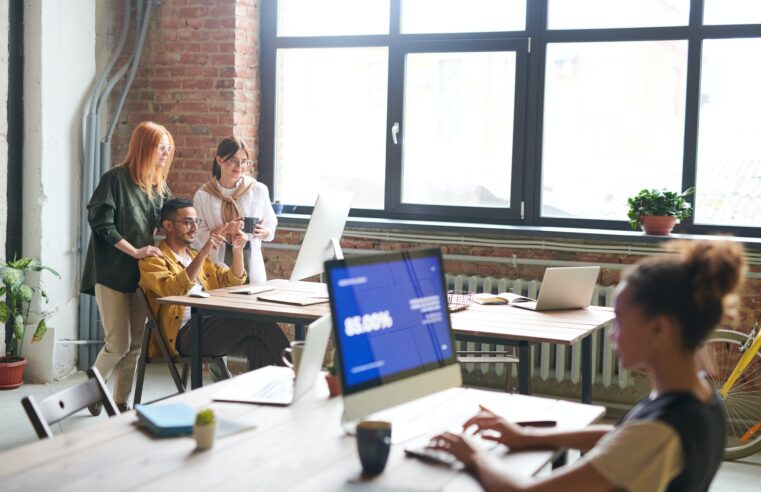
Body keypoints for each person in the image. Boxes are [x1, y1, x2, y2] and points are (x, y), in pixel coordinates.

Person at [428, 240, 747, 492]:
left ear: (659, 329)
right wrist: (525, 436)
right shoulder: (701, 393)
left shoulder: (660, 431)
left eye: (620, 322)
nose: (613, 335)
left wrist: (474, 456)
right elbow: (621, 436)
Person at [139, 198, 290, 380]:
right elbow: (171, 291)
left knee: (255, 344)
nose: (194, 228)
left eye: (196, 221)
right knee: (259, 321)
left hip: (207, 324)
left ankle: (266, 398)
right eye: (188, 222)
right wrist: (204, 251)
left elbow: (232, 282)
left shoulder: (195, 256)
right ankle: (299, 377)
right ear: (168, 225)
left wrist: (237, 251)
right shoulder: (154, 260)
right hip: (183, 335)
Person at [81, 121, 174, 414]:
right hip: (109, 273)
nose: (166, 153)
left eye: (169, 148)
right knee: (118, 344)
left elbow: (172, 218)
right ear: (145, 146)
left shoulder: (158, 188)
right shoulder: (115, 180)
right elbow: (100, 223)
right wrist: (134, 250)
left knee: (135, 345)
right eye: (162, 147)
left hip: (139, 278)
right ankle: (90, 393)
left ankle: (120, 402)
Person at [193, 137, 277, 284]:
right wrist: (224, 231)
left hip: (250, 259)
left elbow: (270, 224)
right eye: (233, 160)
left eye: (244, 161)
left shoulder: (258, 190)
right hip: (216, 263)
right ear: (219, 160)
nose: (239, 166)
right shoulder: (203, 195)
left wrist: (265, 232)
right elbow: (197, 237)